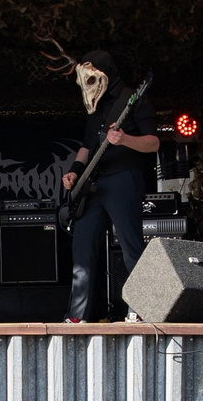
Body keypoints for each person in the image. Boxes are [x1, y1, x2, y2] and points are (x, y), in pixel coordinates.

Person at [60, 48, 158, 321]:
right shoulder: (96, 106)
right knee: (82, 249)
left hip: (124, 178)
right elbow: (86, 145)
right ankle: (77, 315)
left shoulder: (135, 99)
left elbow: (154, 143)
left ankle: (139, 310)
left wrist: (125, 140)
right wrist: (74, 172)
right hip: (93, 184)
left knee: (131, 247)